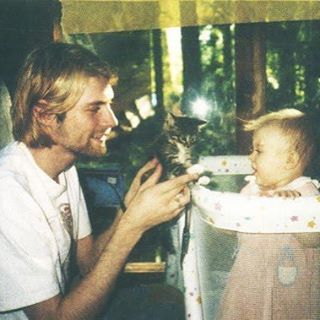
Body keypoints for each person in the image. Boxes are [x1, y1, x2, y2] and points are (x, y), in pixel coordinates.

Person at [0, 42, 199, 320]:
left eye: (109, 105)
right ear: (45, 115)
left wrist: (127, 211)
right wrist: (132, 227)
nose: (113, 120)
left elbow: (89, 261)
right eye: (95, 109)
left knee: (168, 301)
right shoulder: (9, 193)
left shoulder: (64, 166)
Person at [218, 108, 320, 320]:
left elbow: (314, 239)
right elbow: (234, 227)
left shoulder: (307, 193)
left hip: (288, 292)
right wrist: (223, 214)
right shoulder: (251, 189)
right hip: (248, 286)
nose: (250, 156)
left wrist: (292, 208)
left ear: (290, 160)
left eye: (259, 151)